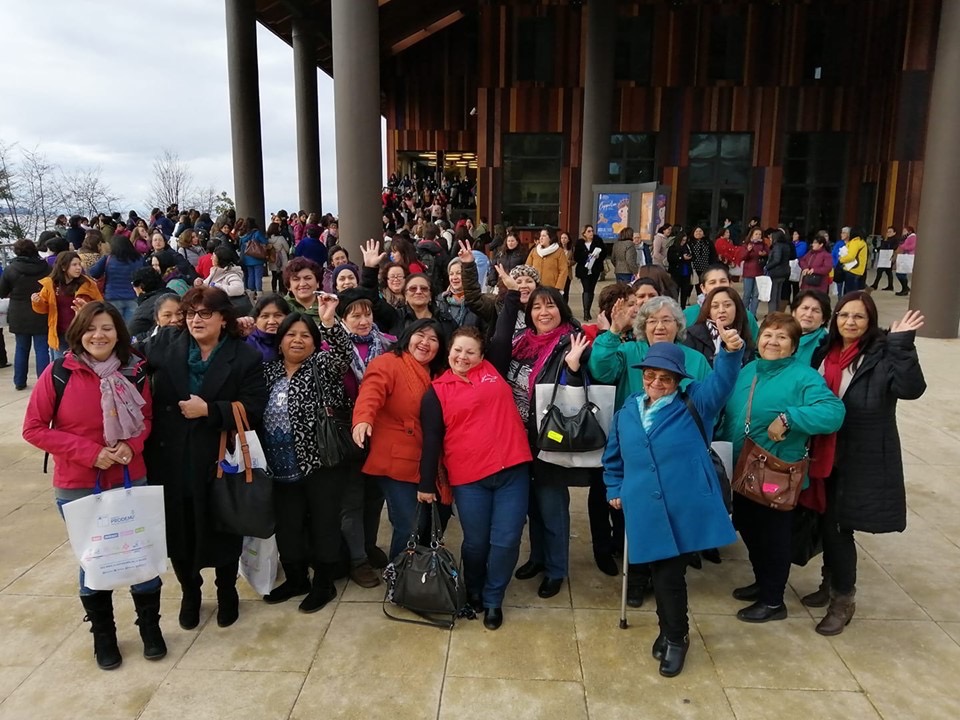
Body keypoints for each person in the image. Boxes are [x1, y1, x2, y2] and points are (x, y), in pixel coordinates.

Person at [22, 301, 162, 670]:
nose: (98, 335)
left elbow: (146, 418)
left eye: (107, 328)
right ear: (78, 333)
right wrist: (88, 453)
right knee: (94, 561)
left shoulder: (135, 372)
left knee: (140, 555)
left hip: (131, 478)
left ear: (119, 334)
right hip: (79, 484)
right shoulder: (59, 373)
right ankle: (104, 635)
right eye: (90, 329)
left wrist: (131, 446)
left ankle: (150, 627)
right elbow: (34, 428)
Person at [605, 334, 744, 677]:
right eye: (650, 375)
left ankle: (676, 637)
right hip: (644, 507)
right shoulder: (629, 409)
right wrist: (614, 487)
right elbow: (613, 457)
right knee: (657, 571)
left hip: (684, 506)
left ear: (679, 380)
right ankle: (668, 631)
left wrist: (730, 351)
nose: (656, 383)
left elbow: (723, 381)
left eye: (665, 377)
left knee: (669, 574)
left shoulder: (696, 402)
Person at [141, 287, 267, 631]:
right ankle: (190, 592)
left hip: (217, 459)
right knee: (180, 530)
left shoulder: (244, 357)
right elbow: (123, 353)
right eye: (191, 313)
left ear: (223, 319)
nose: (196, 320)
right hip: (171, 459)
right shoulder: (167, 344)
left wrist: (210, 411)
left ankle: (227, 590)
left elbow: (254, 407)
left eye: (205, 313)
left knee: (222, 526)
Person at [803, 294, 925, 635]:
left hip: (862, 454)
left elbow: (911, 388)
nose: (850, 322)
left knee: (840, 526)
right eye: (844, 315)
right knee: (826, 520)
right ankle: (830, 581)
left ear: (870, 321)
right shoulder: (824, 352)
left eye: (859, 317)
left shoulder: (883, 353)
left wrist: (902, 344)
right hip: (823, 450)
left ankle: (843, 599)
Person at [717, 313, 845, 623]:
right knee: (749, 528)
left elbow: (833, 411)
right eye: (768, 335)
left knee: (772, 537)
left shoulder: (803, 377)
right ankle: (764, 583)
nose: (773, 341)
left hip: (775, 472)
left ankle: (773, 600)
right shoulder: (749, 370)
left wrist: (790, 418)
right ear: (758, 340)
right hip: (742, 470)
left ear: (793, 346)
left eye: (782, 337)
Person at [419, 326, 532, 629]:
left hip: (512, 470)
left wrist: (510, 295)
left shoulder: (493, 368)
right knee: (476, 543)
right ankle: (475, 590)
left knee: (506, 540)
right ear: (448, 351)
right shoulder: (436, 391)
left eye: (470, 351)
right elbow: (431, 440)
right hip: (469, 478)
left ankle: (494, 598)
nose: (463, 356)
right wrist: (426, 483)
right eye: (458, 350)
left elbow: (503, 330)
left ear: (482, 355)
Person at [487, 284, 590, 599]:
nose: (544, 312)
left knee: (552, 505)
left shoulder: (571, 341)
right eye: (536, 307)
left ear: (561, 308)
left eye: (550, 306)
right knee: (531, 502)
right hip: (518, 438)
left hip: (549, 437)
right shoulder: (522, 342)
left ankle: (556, 569)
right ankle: (537, 558)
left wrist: (572, 368)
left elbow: (578, 388)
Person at [260, 306, 354, 612]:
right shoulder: (268, 371)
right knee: (288, 526)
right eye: (290, 334)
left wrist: (328, 323)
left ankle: (323, 584)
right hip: (279, 467)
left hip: (321, 464)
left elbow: (343, 354)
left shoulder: (321, 365)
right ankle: (297, 579)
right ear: (280, 341)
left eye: (305, 335)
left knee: (324, 524)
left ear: (315, 342)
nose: (297, 340)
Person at [351, 319, 448, 560]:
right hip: (396, 459)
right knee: (410, 524)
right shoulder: (388, 363)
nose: (425, 343)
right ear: (408, 337)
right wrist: (364, 419)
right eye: (420, 335)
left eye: (433, 339)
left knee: (429, 521)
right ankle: (400, 578)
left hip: (430, 461)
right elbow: (371, 392)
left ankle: (422, 574)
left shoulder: (441, 373)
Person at [336, 289, 395, 585]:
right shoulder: (331, 346)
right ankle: (356, 559)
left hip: (381, 432)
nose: (363, 320)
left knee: (375, 496)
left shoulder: (387, 344)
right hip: (348, 433)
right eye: (355, 315)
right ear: (343, 318)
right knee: (351, 499)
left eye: (367, 314)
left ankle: (369, 546)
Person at [589, 295, 711, 409]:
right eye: (652, 321)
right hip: (634, 427)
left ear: (678, 325)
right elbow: (601, 372)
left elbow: (710, 402)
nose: (659, 327)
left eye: (666, 320)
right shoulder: (629, 351)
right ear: (643, 327)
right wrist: (614, 331)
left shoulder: (696, 360)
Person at [31, 251, 103, 360]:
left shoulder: (88, 284)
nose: (79, 268)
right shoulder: (51, 284)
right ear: (64, 267)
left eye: (79, 264)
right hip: (59, 334)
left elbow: (100, 305)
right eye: (74, 265)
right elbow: (44, 309)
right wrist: (37, 302)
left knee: (82, 364)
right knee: (61, 366)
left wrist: (88, 308)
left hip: (81, 332)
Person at [0, 239, 51, 390]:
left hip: (19, 312)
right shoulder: (46, 267)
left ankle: (19, 381)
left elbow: (2, 292)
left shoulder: (11, 269)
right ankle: (43, 383)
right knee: (42, 349)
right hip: (40, 311)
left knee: (21, 348)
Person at [684, 287, 755, 366]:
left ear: (737, 308)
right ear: (708, 311)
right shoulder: (692, 336)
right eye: (715, 306)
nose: (721, 310)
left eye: (727, 305)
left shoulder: (744, 333)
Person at [88, 236, 144, 326]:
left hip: (112, 297)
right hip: (134, 296)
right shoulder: (139, 259)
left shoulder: (108, 258)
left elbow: (93, 272)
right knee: (130, 328)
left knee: (115, 327)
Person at [573, 224, 608, 320]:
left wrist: (598, 256)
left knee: (591, 289)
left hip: (595, 269)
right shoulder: (580, 243)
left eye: (592, 231)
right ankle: (585, 312)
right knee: (586, 289)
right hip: (584, 270)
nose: (591, 233)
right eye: (588, 231)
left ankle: (588, 310)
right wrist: (586, 255)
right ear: (584, 233)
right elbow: (576, 257)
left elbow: (604, 253)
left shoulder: (598, 241)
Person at [246, 294, 291, 362]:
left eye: (278, 315)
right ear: (255, 319)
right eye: (265, 316)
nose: (271, 322)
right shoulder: (247, 343)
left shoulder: (294, 339)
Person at [790, 290, 831, 366]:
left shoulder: (826, 343)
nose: (808, 314)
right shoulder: (782, 333)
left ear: (823, 319)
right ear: (793, 312)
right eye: (805, 308)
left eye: (816, 311)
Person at [764, 228, 793, 316]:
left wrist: (767, 267)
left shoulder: (777, 246)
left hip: (776, 272)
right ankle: (776, 312)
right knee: (778, 295)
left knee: (772, 296)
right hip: (784, 272)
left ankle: (772, 314)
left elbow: (776, 260)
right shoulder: (786, 246)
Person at [238, 218, 268, 298]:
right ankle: (259, 293)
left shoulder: (243, 235)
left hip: (247, 259)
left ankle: (251, 292)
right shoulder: (257, 233)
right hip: (257, 258)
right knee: (258, 276)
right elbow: (265, 242)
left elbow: (239, 244)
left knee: (250, 275)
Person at [837, 226, 868, 292]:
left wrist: (841, 259)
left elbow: (851, 256)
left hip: (853, 269)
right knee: (854, 291)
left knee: (849, 292)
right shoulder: (862, 242)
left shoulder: (855, 242)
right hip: (859, 270)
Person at [667, 232, 694, 307]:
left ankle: (683, 306)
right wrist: (681, 258)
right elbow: (670, 259)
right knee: (675, 290)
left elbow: (693, 256)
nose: (683, 242)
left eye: (685, 240)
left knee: (685, 290)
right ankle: (674, 306)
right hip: (676, 272)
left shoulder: (687, 247)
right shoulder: (673, 248)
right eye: (682, 240)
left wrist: (689, 257)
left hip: (686, 271)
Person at [870, 226, 899, 291]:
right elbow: (882, 247)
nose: (888, 233)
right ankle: (890, 286)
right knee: (888, 272)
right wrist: (877, 249)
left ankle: (875, 285)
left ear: (894, 233)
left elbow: (894, 247)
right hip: (884, 258)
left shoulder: (894, 240)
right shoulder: (887, 239)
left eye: (890, 232)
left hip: (889, 258)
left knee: (880, 271)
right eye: (888, 232)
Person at [266, 222, 290, 294]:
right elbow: (287, 249)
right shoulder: (281, 238)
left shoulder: (268, 239)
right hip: (282, 258)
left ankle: (274, 290)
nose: (280, 228)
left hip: (272, 258)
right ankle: (281, 291)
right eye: (278, 227)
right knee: (281, 276)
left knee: (274, 276)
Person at [895, 225, 917, 296]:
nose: (903, 233)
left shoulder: (913, 237)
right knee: (900, 273)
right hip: (904, 256)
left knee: (901, 273)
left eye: (905, 231)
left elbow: (912, 246)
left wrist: (903, 246)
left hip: (908, 256)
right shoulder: (906, 238)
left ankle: (905, 288)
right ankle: (905, 288)